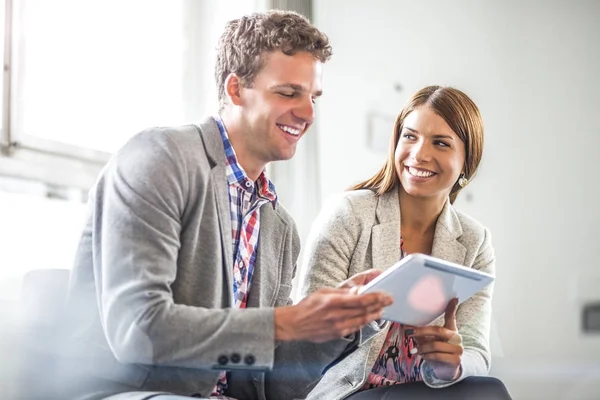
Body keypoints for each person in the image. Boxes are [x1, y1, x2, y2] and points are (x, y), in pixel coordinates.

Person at [57, 10, 392, 400]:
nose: (308, 114)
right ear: (236, 90)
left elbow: (274, 385)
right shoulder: (160, 158)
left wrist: (338, 324)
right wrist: (285, 322)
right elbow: (138, 330)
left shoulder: (278, 225)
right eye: (288, 93)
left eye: (313, 97)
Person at [299, 86, 512, 400]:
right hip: (351, 392)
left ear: (467, 162)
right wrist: (360, 313)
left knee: (491, 390)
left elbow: (477, 351)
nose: (419, 154)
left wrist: (451, 364)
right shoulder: (348, 214)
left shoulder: (474, 240)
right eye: (410, 136)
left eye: (440, 143)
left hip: (427, 390)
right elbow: (304, 338)